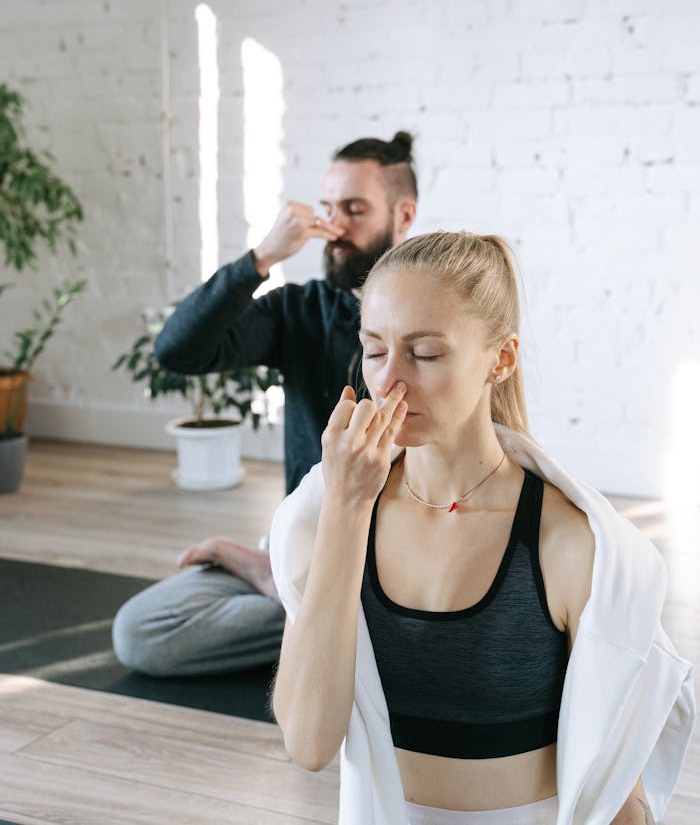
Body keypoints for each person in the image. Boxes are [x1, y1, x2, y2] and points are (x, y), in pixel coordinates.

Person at [270, 231, 695, 825]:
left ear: (501, 358)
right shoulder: (329, 515)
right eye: (374, 350)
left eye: (425, 354)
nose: (390, 379)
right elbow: (310, 745)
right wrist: (346, 507)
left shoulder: (569, 546)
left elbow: (612, 783)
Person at [111, 131, 418, 677]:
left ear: (403, 216)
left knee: (408, 617)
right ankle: (295, 598)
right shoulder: (299, 311)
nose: (335, 226)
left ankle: (307, 603)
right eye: (328, 208)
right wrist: (260, 258)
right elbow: (177, 350)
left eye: (354, 209)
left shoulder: (433, 321)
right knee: (141, 631)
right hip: (302, 545)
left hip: (397, 569)